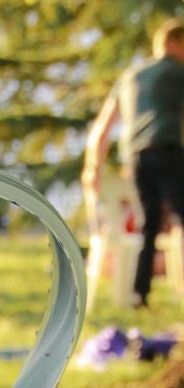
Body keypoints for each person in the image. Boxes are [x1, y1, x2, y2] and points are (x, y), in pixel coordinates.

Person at [82, 19, 184, 308]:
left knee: (148, 224)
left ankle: (140, 295)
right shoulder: (177, 71)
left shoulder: (131, 75)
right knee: (181, 220)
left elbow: (102, 128)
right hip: (169, 148)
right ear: (174, 42)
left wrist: (93, 167)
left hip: (136, 156)